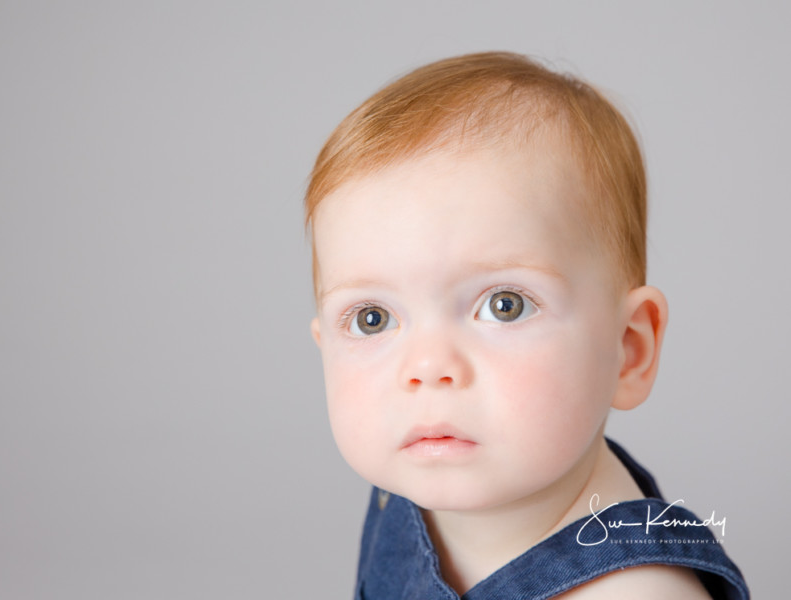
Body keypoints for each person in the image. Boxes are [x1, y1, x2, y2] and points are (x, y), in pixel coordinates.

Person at [305, 52, 749, 599]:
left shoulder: (638, 592)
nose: (425, 367)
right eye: (373, 319)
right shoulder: (415, 476)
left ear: (628, 349)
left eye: (505, 305)